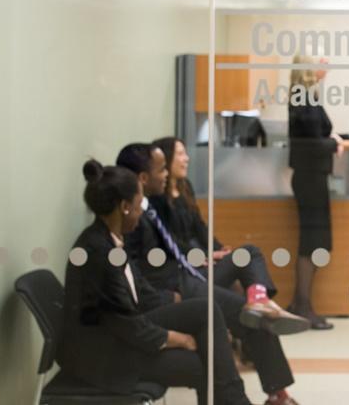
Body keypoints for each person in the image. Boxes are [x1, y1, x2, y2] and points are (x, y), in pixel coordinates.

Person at [119, 142, 304, 405]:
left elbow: (179, 242)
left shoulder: (152, 204)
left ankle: (259, 297)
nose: (166, 174)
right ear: (143, 177)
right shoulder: (134, 214)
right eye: (162, 168)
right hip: (178, 288)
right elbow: (134, 271)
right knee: (250, 315)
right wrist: (167, 297)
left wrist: (209, 255)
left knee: (249, 259)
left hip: (189, 272)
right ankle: (277, 394)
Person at [59, 160, 252, 405]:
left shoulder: (110, 238)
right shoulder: (97, 252)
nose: (142, 214)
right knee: (204, 364)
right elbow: (126, 325)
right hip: (105, 356)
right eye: (139, 206)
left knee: (205, 309)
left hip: (120, 335)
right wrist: (179, 338)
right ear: (125, 207)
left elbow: (140, 293)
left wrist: (176, 304)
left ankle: (238, 401)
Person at [287, 55, 342, 330]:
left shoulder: (307, 96)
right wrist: (333, 143)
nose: (327, 64)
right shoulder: (303, 97)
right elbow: (310, 143)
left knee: (316, 242)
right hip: (309, 179)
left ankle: (301, 303)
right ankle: (303, 306)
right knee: (312, 243)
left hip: (313, 178)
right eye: (321, 59)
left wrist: (333, 140)